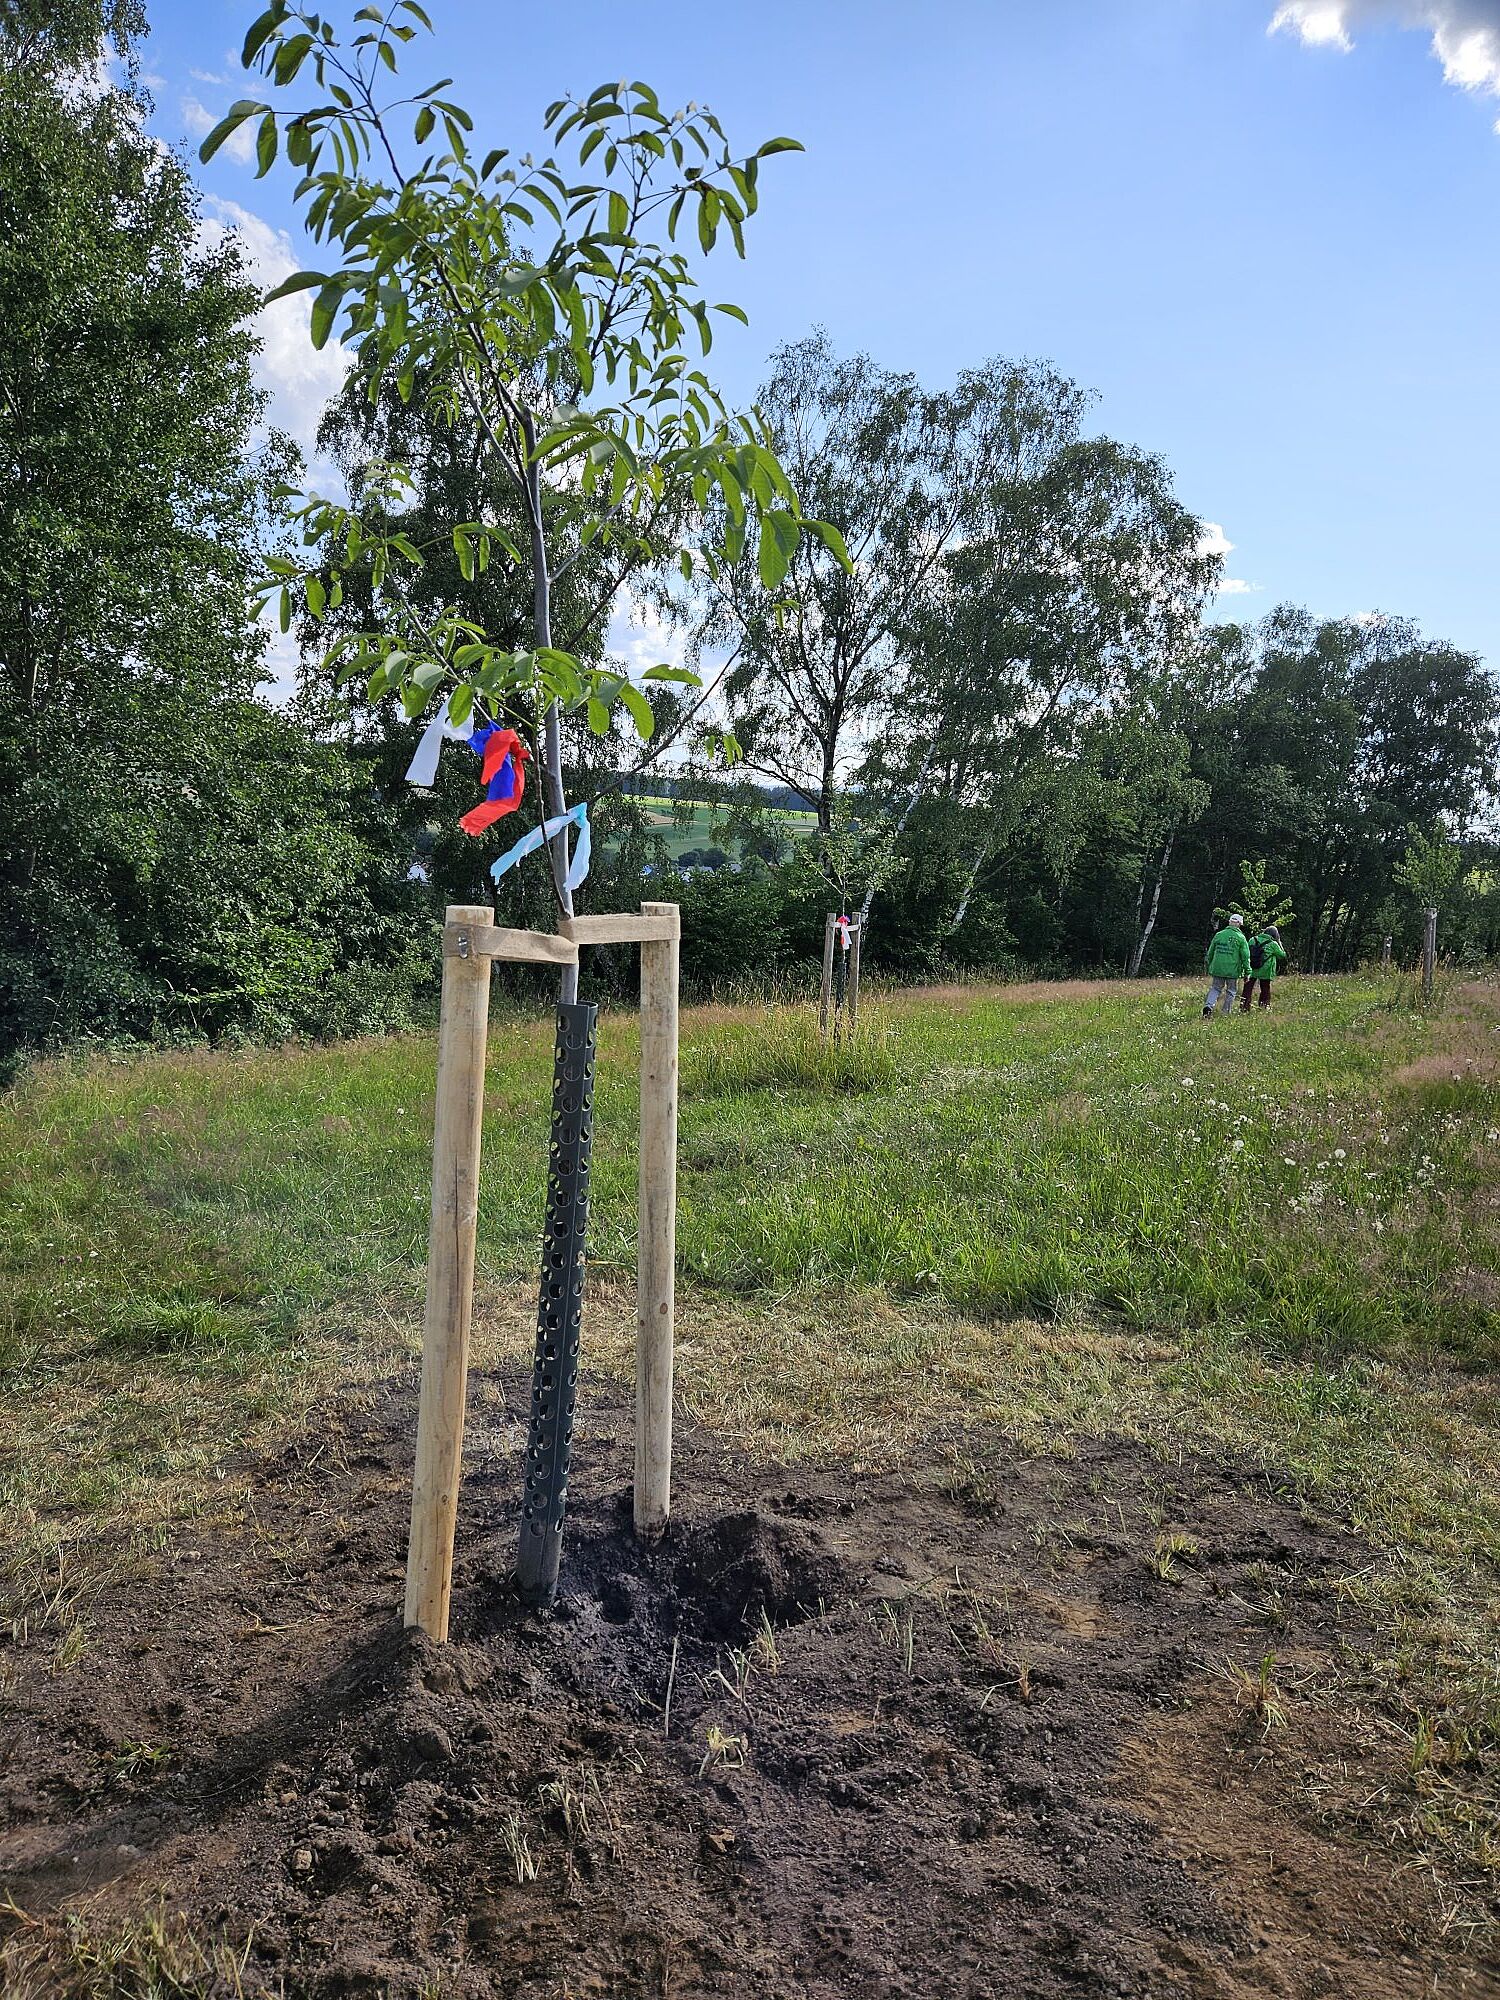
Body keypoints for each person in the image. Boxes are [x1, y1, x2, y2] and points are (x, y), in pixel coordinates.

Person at [1203, 913, 1249, 1017]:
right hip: (1233, 970)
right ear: (1239, 924)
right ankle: (1225, 1013)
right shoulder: (1241, 938)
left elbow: (1210, 952)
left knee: (1215, 988)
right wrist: (1248, 971)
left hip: (1218, 968)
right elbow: (1245, 957)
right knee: (1231, 991)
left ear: (1229, 922)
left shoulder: (1219, 934)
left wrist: (1210, 964)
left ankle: (1208, 1006)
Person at [1240, 922, 1287, 1011]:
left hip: (1252, 968)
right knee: (1265, 989)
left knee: (1247, 988)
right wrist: (1279, 942)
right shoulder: (1273, 944)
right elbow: (1282, 955)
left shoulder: (1252, 939)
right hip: (1266, 970)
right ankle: (1264, 1006)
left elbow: (1246, 952)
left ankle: (1244, 1007)